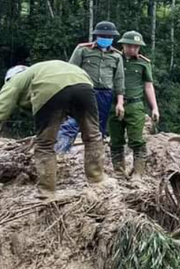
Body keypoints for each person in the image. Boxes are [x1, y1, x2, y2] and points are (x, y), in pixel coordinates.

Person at [0, 61, 104, 195]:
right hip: (84, 83)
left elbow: (1, 108)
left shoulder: (15, 80)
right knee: (93, 136)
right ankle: (98, 182)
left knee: (45, 145)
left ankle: (47, 192)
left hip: (50, 88)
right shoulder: (40, 70)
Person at [56, 21, 125, 153]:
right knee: (72, 123)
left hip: (105, 94)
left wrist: (120, 102)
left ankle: (94, 160)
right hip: (84, 91)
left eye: (108, 37)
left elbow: (119, 80)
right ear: (96, 36)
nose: (105, 39)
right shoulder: (83, 50)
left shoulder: (116, 56)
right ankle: (59, 153)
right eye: (102, 36)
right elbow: (70, 71)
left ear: (113, 38)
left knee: (97, 129)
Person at [108, 31, 159, 177]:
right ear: (123, 45)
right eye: (130, 46)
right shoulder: (114, 58)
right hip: (114, 105)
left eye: (136, 47)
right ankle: (119, 172)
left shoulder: (143, 63)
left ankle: (138, 173)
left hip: (135, 105)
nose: (133, 49)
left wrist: (154, 107)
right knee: (116, 140)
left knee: (137, 140)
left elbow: (148, 86)